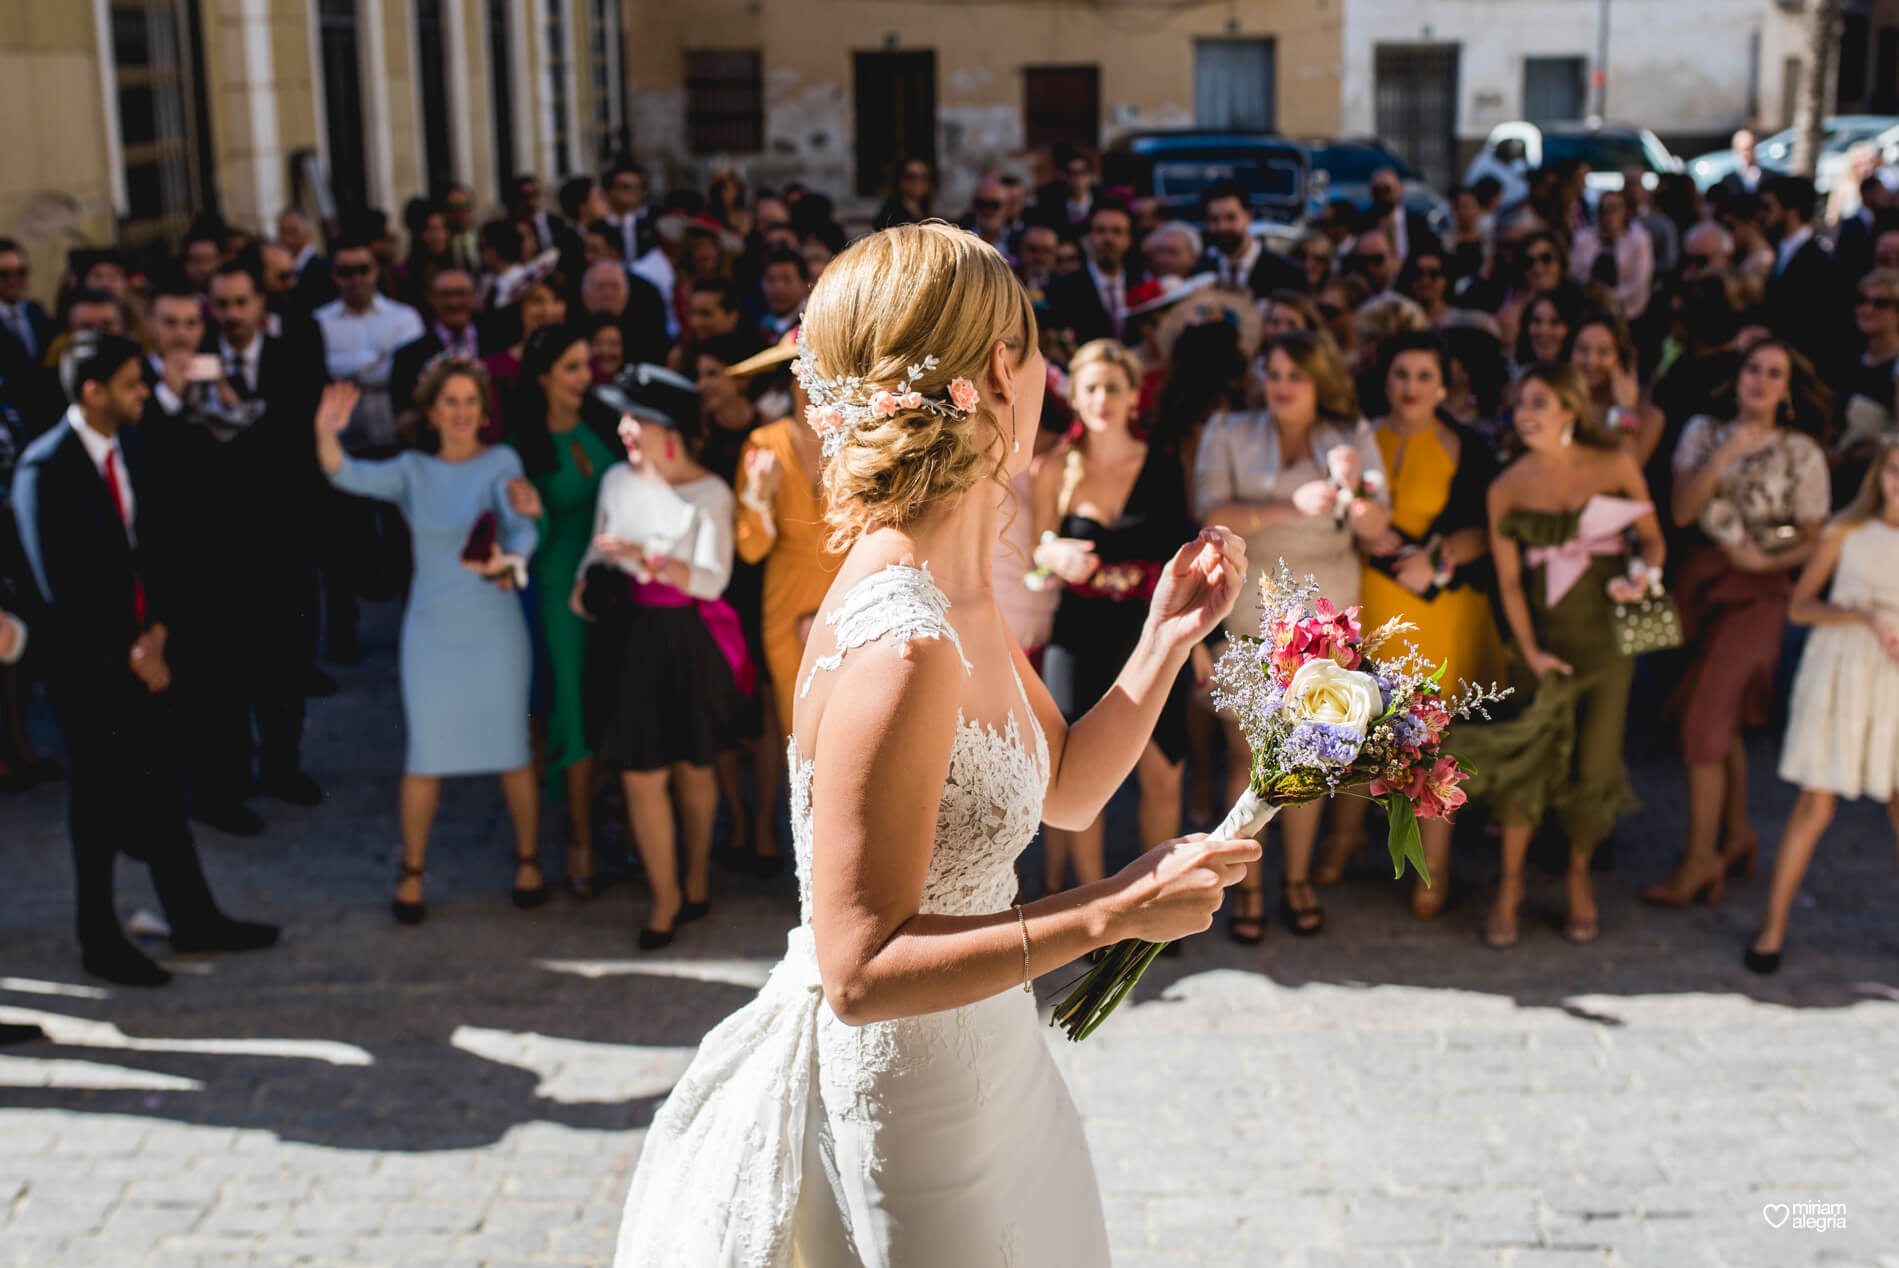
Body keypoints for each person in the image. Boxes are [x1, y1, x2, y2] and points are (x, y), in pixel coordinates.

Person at [613, 220, 1255, 1268]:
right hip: (913, 1094)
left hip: (995, 1052)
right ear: (1001, 372)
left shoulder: (961, 587)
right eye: (1041, 346)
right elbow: (858, 965)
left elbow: (1069, 794)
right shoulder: (904, 635)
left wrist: (1164, 638)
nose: (1049, 370)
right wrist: (1110, 910)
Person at [11, 335, 279, 986]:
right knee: (98, 808)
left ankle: (193, 917)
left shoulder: (133, 446)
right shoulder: (45, 470)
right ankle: (98, 940)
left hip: (146, 653)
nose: (144, 392)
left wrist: (158, 632)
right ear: (93, 391)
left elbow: (158, 546)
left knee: (163, 790)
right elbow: (58, 587)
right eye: (132, 383)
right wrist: (129, 653)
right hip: (90, 671)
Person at [315, 364, 544, 922]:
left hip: (494, 627)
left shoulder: (502, 463)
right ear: (433, 410)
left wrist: (509, 557)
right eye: (450, 400)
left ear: (484, 410)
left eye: (471, 400)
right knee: (424, 756)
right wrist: (327, 430)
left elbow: (523, 530)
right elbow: (345, 472)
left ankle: (529, 859)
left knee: (513, 749)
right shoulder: (413, 470)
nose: (462, 410)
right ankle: (412, 871)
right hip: (431, 633)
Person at [1459, 362, 1663, 947]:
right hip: (1541, 648)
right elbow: (1511, 584)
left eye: (1539, 402)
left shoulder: (1615, 464)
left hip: (1609, 646)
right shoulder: (1506, 487)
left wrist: (1644, 574)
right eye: (1520, 403)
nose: (1525, 414)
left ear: (1570, 410)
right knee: (1528, 767)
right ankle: (1511, 888)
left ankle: (1578, 880)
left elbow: (1652, 540)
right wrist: (1531, 652)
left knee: (1595, 767)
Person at [1193, 330, 1389, 940]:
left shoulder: (1351, 433)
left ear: (1319, 380)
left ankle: (1296, 878)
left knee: (1312, 758)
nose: (1281, 385)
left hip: (1327, 622)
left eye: (1295, 375)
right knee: (1244, 758)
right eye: (1273, 372)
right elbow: (1208, 515)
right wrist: (1291, 505)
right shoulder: (1229, 431)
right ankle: (1244, 888)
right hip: (1252, 612)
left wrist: (1357, 495)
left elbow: (1380, 526)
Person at [1647, 337, 1831, 908]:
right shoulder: (1703, 430)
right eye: (1753, 368)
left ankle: (1701, 859)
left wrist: (1766, 560)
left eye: (1774, 373)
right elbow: (1680, 511)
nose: (1761, 380)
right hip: (1699, 585)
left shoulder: (1803, 453)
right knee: (1710, 712)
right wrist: (1724, 458)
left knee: (1704, 722)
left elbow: (1812, 541)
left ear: (1788, 389)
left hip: (1762, 595)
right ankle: (1739, 834)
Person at [1324, 332, 1502, 912]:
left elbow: (1488, 528)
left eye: (1425, 376)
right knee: (1356, 724)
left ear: (1444, 386)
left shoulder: (1467, 444)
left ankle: (1436, 867)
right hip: (1369, 597)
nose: (1412, 387)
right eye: (1402, 374)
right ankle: (1345, 838)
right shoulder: (1359, 439)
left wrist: (1441, 559)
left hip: (1437, 608)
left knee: (1427, 741)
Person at [147, 265, 326, 832]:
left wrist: (236, 405)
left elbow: (289, 443)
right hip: (204, 562)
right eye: (171, 322)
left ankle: (280, 768)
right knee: (218, 682)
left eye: (190, 322)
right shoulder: (161, 385)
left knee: (282, 665)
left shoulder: (272, 360)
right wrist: (178, 400)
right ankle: (219, 790)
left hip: (275, 546)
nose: (184, 332)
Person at [577, 364, 746, 948]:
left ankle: (696, 877)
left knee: (693, 768)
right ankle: (665, 897)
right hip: (628, 637)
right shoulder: (616, 482)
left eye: (636, 419)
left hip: (686, 638)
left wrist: (648, 559)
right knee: (640, 774)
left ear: (667, 429)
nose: (624, 428)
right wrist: (587, 585)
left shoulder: (710, 492)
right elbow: (594, 552)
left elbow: (712, 580)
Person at [1034, 340, 1204, 894]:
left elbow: (1186, 553)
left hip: (1148, 630)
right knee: (1076, 777)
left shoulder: (1162, 462)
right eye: (1090, 387)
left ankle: (1157, 901)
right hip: (1079, 632)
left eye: (1113, 386)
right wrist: (1053, 554)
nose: (1102, 398)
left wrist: (1198, 642)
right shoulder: (1056, 465)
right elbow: (1038, 552)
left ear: (1134, 394)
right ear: (1073, 396)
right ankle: (1093, 906)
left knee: (1163, 773)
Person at [1746, 442, 1899, 973]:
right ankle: (1773, 926)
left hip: (1896, 675)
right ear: (1880, 474)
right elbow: (1801, 605)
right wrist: (1860, 615)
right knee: (1816, 804)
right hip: (1844, 668)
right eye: (1895, 470)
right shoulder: (1845, 533)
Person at [506, 324, 615, 895]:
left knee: (606, 701)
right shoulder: (520, 445)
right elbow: (525, 530)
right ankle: (580, 842)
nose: (584, 377)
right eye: (571, 367)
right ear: (544, 374)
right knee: (572, 708)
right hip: (556, 590)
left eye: (586, 365)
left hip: (614, 586)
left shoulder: (602, 420)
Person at [731, 337, 846, 873]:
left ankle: (847, 857)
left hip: (849, 594)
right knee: (798, 731)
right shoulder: (764, 442)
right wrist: (757, 494)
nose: (812, 382)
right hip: (786, 600)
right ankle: (811, 859)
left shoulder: (858, 439)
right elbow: (750, 546)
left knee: (850, 729)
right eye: (804, 372)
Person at [1562, 311, 1665, 465]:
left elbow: (1626, 471)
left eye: (1603, 352)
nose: (1591, 360)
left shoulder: (1650, 417)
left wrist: (1624, 410)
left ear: (1621, 359)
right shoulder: (1559, 406)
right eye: (1582, 350)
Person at [1044, 201, 1142, 346]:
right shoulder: (1063, 289)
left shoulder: (1142, 281)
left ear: (1129, 239)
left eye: (1117, 231)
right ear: (1088, 238)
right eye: (1100, 231)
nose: (1108, 238)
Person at [391, 268, 481, 418]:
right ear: (431, 298)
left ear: (474, 296)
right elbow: (405, 414)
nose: (454, 302)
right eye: (445, 295)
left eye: (461, 293)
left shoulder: (498, 341)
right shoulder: (407, 357)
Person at [1200, 181, 1302, 297]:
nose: (1222, 227)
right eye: (1214, 219)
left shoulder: (1286, 274)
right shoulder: (1200, 273)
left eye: (1231, 217)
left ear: (1249, 217)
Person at [1568, 189, 1654, 320]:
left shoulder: (1639, 240)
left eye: (1614, 208)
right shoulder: (1583, 238)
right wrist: (1592, 294)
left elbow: (1639, 281)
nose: (1608, 214)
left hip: (1629, 310)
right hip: (1587, 307)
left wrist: (1609, 298)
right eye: (1603, 209)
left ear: (1625, 211)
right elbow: (1575, 273)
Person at [872, 157, 935, 230]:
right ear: (900, 180)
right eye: (911, 176)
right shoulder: (890, 216)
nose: (918, 182)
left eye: (924, 176)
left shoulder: (926, 210)